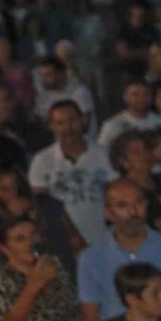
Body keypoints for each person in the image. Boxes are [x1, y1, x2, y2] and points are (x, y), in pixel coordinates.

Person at [27, 99, 115, 248]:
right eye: (60, 123)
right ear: (52, 126)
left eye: (73, 120)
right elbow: (41, 205)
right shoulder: (42, 160)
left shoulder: (104, 154)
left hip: (104, 236)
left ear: (83, 120)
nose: (68, 127)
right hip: (63, 241)